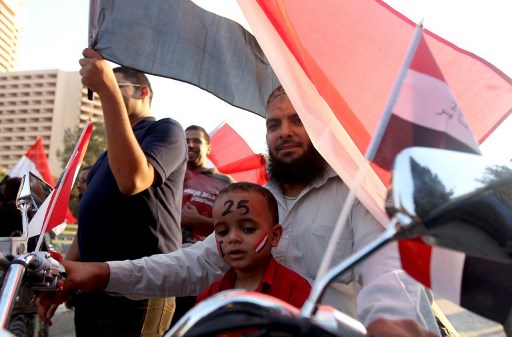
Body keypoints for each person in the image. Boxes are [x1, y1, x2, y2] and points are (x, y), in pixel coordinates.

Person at [39, 83, 439, 337]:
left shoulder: (361, 196)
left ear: (322, 129)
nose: (284, 132)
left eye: (298, 121)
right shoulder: (260, 205)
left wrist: (391, 322)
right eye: (274, 124)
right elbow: (189, 266)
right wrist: (100, 272)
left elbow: (390, 273)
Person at [63, 48, 187, 337]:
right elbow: (88, 224)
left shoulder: (166, 131)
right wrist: (67, 271)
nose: (108, 93)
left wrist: (107, 92)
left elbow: (133, 180)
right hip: (95, 290)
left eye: (117, 88)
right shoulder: (107, 157)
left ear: (143, 92)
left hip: (140, 291)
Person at [196, 182, 311, 309]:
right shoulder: (209, 297)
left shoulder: (296, 291)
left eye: (248, 229)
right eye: (223, 232)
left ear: (275, 236)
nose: (233, 238)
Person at [171, 125, 234, 325]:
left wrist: (200, 222)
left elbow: (239, 226)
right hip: (168, 265)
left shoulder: (225, 183)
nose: (190, 144)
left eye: (196, 140)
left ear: (208, 148)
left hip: (208, 269)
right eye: (186, 140)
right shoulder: (168, 176)